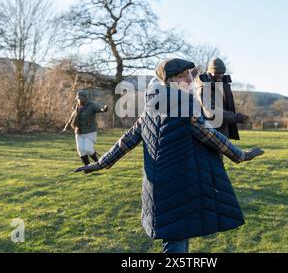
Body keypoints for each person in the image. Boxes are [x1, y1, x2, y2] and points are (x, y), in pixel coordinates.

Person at [75, 58, 264, 253]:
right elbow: (209, 135)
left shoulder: (151, 104)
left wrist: (101, 163)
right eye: (182, 76)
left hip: (159, 183)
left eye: (189, 74)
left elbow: (130, 137)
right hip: (179, 183)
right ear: (169, 81)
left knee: (178, 233)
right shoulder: (183, 105)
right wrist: (240, 154)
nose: (189, 79)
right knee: (176, 238)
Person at [196, 57, 248, 140]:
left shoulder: (222, 84)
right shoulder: (203, 88)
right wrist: (235, 117)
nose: (220, 75)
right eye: (217, 73)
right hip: (211, 133)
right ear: (209, 73)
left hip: (222, 131)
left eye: (222, 73)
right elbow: (211, 112)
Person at [63, 90, 109, 166]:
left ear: (85, 98)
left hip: (90, 131)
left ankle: (99, 163)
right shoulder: (76, 107)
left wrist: (104, 109)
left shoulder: (91, 105)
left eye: (81, 98)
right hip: (78, 131)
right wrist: (66, 127)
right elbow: (72, 118)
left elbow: (99, 109)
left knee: (88, 149)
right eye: (78, 98)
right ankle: (87, 167)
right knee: (81, 150)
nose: (79, 100)